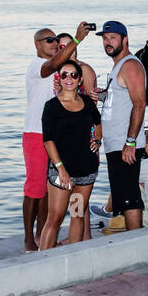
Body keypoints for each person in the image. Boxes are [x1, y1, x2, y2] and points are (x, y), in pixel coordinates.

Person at [22, 24, 91, 250]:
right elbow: (52, 64)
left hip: (60, 138)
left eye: (55, 40)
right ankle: (29, 239)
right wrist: (77, 40)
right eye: (48, 40)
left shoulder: (63, 72)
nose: (53, 43)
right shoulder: (38, 66)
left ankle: (45, 237)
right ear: (37, 44)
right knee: (35, 188)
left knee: (50, 188)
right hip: (36, 133)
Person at [37, 59, 102, 249]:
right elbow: (48, 140)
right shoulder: (52, 106)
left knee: (77, 213)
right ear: (59, 78)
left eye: (73, 75)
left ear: (80, 80)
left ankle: (73, 259)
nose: (68, 79)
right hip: (61, 173)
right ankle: (43, 262)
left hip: (86, 172)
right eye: (64, 74)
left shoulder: (88, 103)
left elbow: (98, 123)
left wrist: (97, 140)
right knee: (55, 218)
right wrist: (61, 169)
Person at [99, 20, 147, 231]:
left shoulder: (131, 65)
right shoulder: (118, 66)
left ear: (125, 40)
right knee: (122, 196)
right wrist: (102, 95)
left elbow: (140, 104)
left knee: (129, 197)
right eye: (105, 38)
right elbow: (122, 99)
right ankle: (128, 238)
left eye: (113, 38)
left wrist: (130, 142)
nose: (108, 42)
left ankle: (136, 244)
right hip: (115, 143)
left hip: (125, 144)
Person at [56, 32, 99, 97]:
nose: (67, 49)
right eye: (62, 47)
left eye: (70, 45)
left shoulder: (84, 69)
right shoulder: (55, 68)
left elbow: (93, 100)